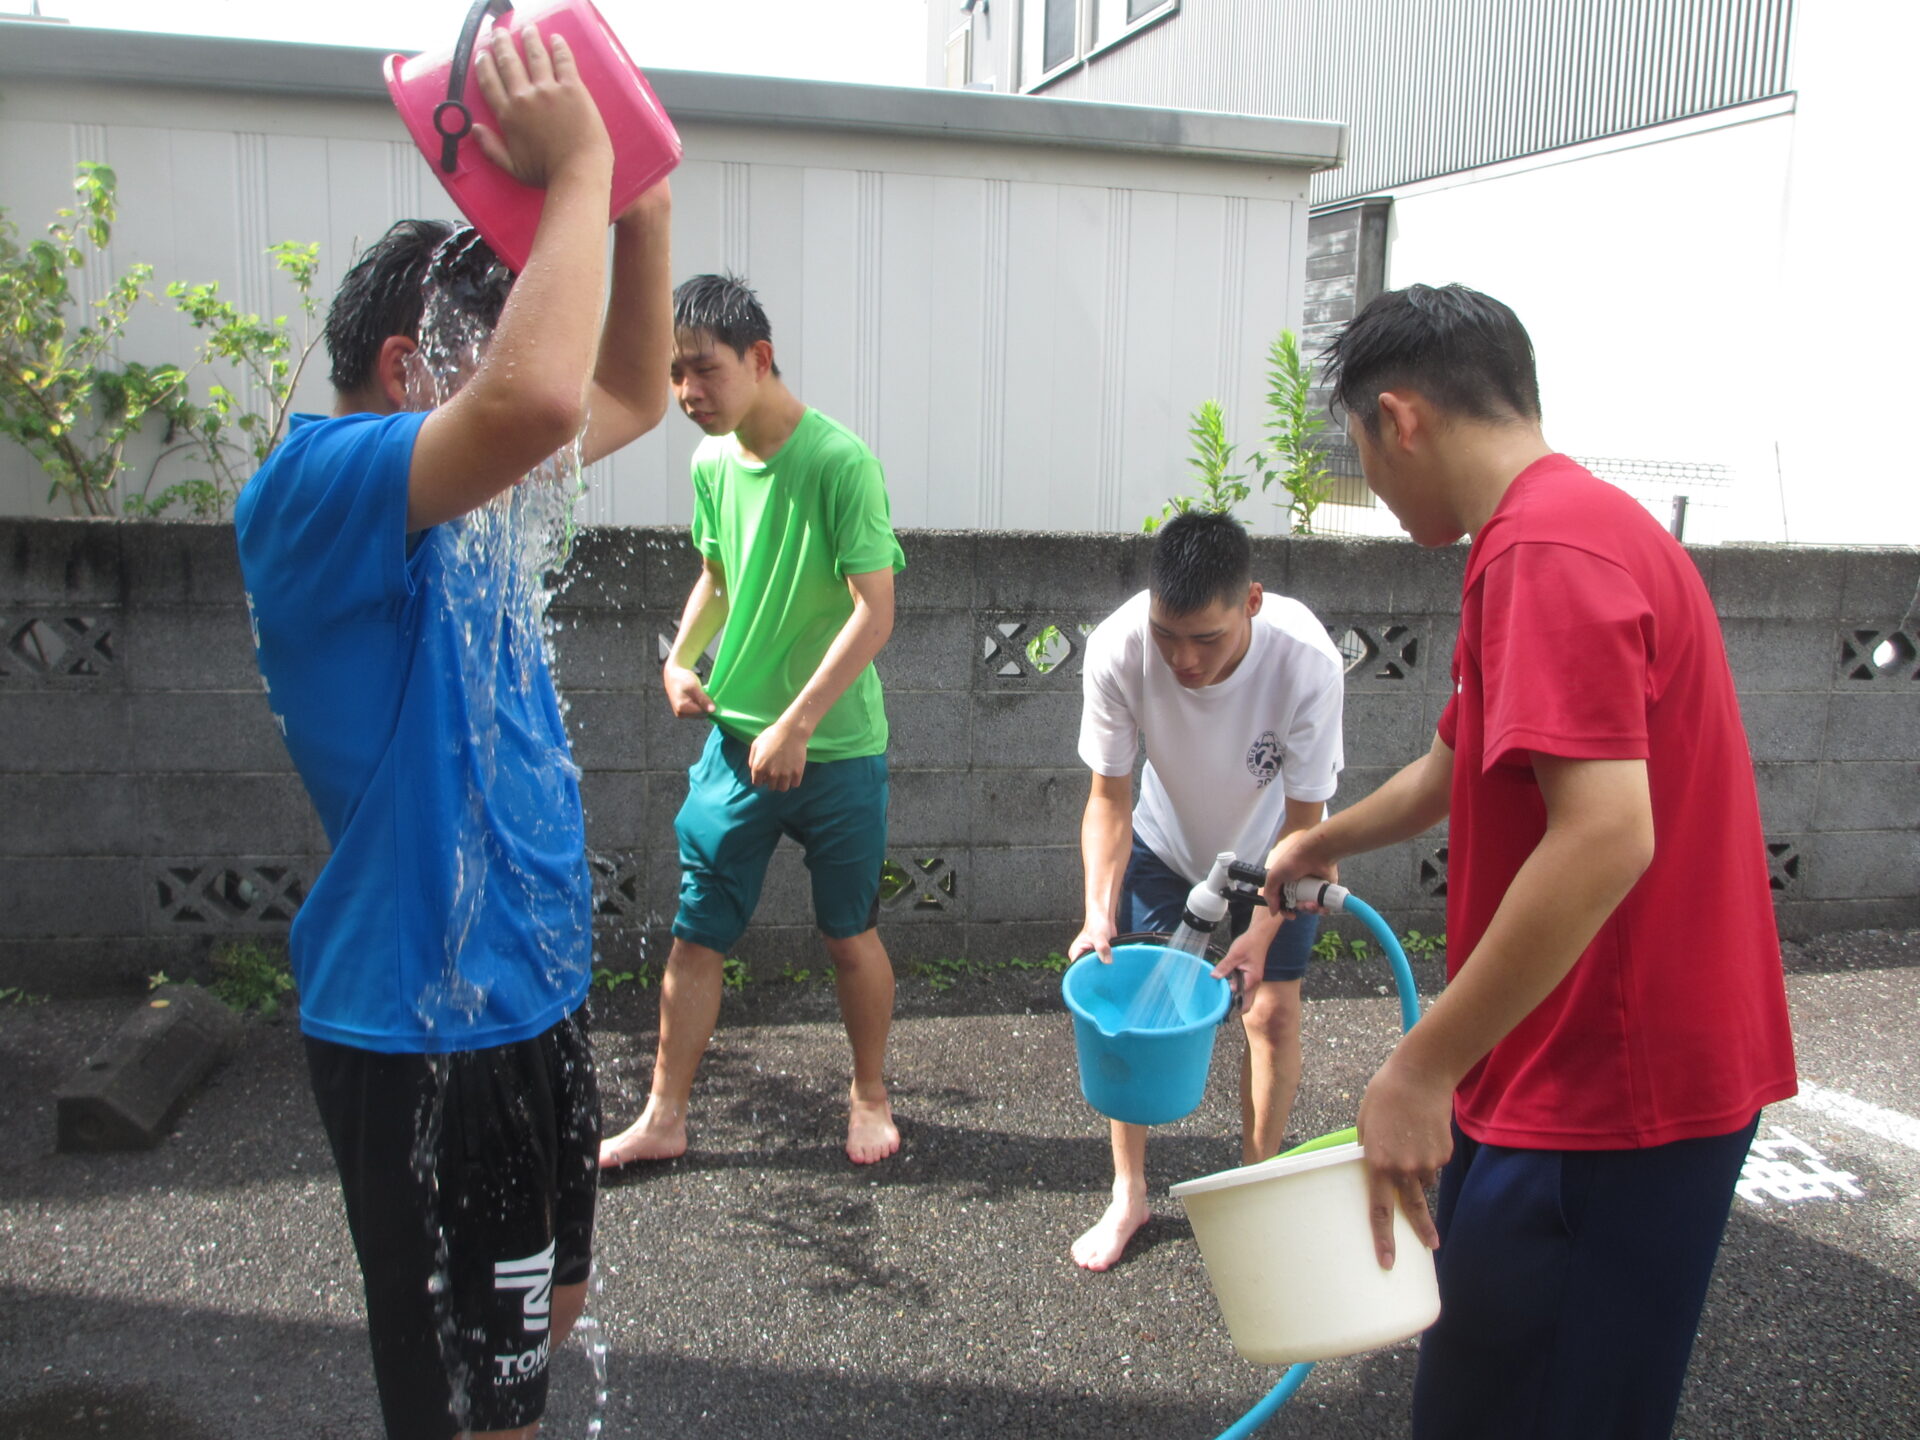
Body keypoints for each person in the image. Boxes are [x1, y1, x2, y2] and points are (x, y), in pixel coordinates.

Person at [1258, 284, 1797, 1439]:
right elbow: (1457, 766)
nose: (1370, 479)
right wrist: (1320, 837)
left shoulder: (1545, 552)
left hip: (1607, 1081)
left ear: (1398, 419)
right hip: (1604, 1067)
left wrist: (1420, 1065)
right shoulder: (1569, 526)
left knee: (1518, 1411)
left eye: (1358, 447)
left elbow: (1607, 832)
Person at [234, 25, 672, 1439]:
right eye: (477, 349)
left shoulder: (465, 487)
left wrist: (634, 203)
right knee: (466, 1406)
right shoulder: (311, 489)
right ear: (415, 359)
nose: (505, 373)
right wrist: (580, 161)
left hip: (528, 1002)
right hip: (423, 1032)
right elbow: (542, 393)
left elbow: (629, 393)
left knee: (545, 1323)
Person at [597, 273, 906, 1170]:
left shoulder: (839, 462)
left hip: (837, 749)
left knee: (849, 934)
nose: (687, 394)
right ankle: (664, 1114)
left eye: (703, 371)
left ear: (759, 358)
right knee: (696, 934)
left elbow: (873, 612)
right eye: (674, 377)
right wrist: (679, 657)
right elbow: (720, 575)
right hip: (736, 747)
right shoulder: (709, 463)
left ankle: (871, 1093)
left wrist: (801, 723)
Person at [1066, 509, 1345, 1270]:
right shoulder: (1121, 648)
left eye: (1207, 639)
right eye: (1169, 636)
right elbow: (1109, 800)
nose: (1183, 660)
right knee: (1135, 1011)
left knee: (1272, 1016)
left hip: (1273, 855)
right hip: (1163, 840)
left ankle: (1254, 1188)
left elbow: (1306, 823)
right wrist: (1098, 912)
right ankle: (1129, 1194)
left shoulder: (1306, 661)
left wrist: (1263, 927)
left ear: (1251, 601)